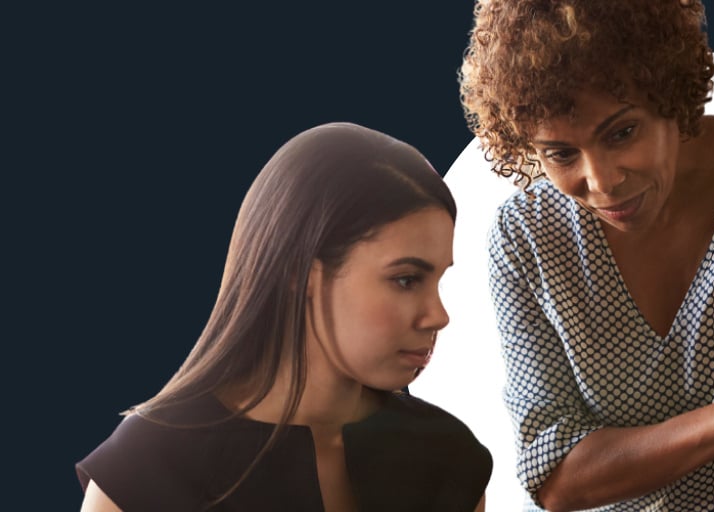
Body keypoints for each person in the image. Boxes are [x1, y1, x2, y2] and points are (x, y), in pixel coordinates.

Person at [458, 0, 714, 510]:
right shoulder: (525, 235)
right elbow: (554, 475)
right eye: (561, 154)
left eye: (622, 133)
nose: (602, 182)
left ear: (671, 92)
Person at [76, 123, 493, 512]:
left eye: (438, 280)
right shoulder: (147, 466)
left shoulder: (452, 460)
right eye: (406, 280)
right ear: (300, 272)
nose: (438, 316)